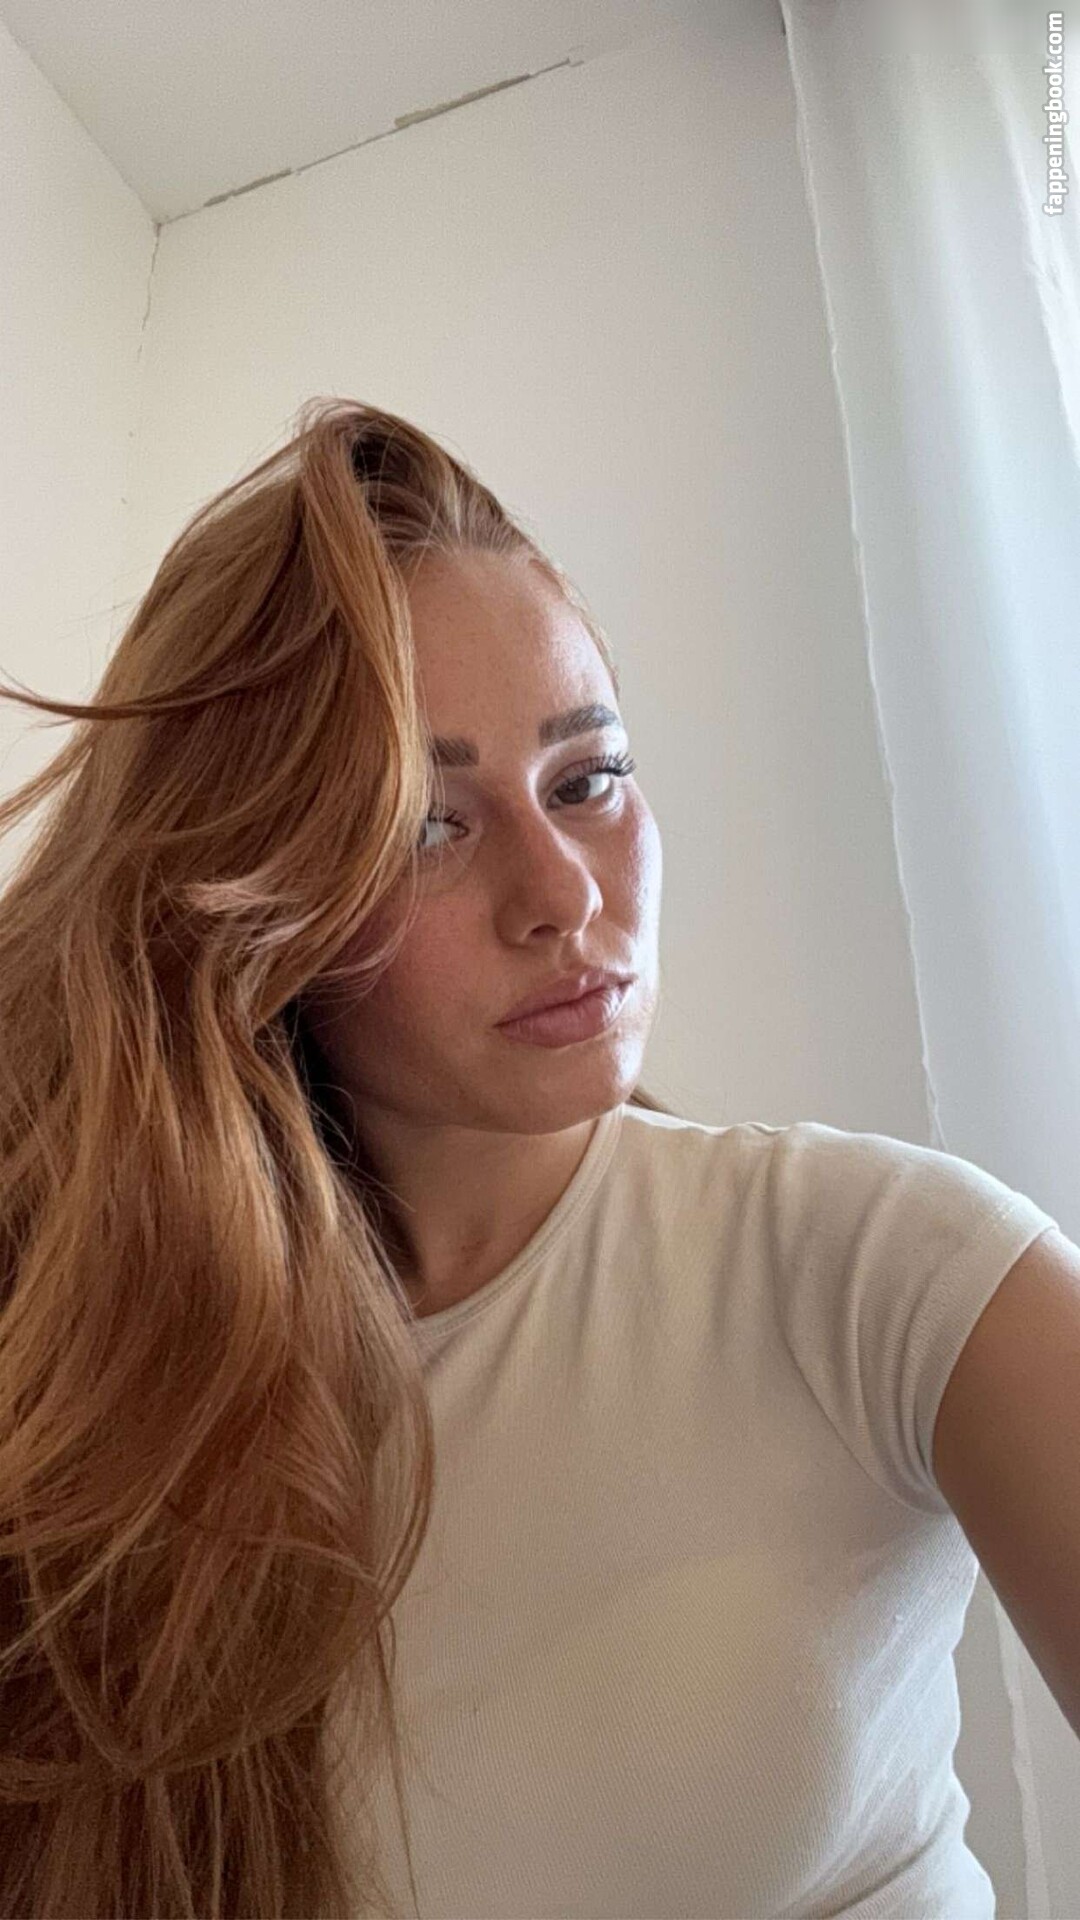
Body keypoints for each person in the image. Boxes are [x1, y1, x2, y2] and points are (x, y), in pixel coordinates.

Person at [0, 400, 1059, 1920]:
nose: (561, 893)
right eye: (426, 826)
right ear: (253, 894)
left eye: (588, 777)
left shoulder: (886, 1272)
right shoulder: (95, 1400)